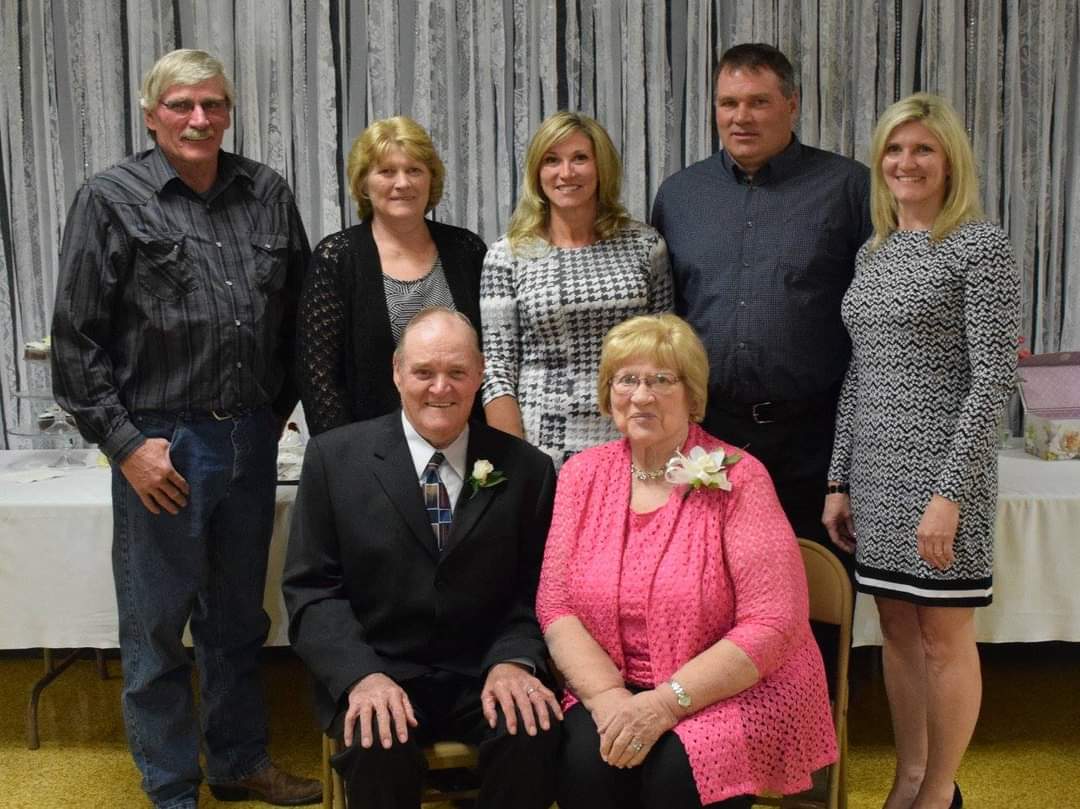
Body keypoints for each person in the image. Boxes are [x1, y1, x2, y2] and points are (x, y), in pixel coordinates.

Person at [50, 50, 320, 807]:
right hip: (161, 446)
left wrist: (274, 412)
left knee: (237, 619)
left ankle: (238, 760)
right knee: (158, 626)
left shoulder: (266, 191)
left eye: (213, 104)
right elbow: (75, 343)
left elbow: (299, 317)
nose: (199, 119)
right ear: (151, 115)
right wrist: (126, 446)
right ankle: (171, 787)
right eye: (181, 105)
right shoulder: (111, 198)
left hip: (250, 439)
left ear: (228, 110)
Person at [536, 314, 836, 809]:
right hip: (613, 685)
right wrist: (608, 698)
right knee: (585, 764)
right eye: (626, 380)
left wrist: (663, 703)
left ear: (692, 396)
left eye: (662, 380)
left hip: (731, 690)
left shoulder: (740, 477)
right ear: (608, 394)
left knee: (678, 772)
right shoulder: (580, 475)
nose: (642, 395)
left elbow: (773, 623)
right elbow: (556, 605)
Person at [823, 94, 1020, 809]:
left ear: (950, 162)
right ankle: (908, 776)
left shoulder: (978, 246)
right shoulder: (873, 251)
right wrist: (839, 479)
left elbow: (994, 377)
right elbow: (861, 370)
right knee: (898, 633)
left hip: (943, 476)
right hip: (875, 475)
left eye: (923, 149)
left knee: (942, 636)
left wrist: (949, 494)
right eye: (895, 149)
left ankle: (940, 791)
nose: (906, 162)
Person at [283, 308, 562, 809]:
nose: (441, 388)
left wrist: (514, 660)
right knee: (377, 741)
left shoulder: (528, 469)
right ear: (397, 372)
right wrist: (361, 676)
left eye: (457, 372)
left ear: (479, 374)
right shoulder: (334, 459)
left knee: (532, 729)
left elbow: (538, 590)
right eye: (424, 372)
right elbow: (312, 590)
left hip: (483, 667)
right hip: (379, 665)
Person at [651, 43, 871, 546]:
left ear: (792, 104)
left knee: (818, 583)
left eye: (758, 102)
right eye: (728, 103)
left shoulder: (849, 188)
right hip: (711, 437)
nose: (741, 117)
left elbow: (882, 306)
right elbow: (667, 315)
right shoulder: (680, 195)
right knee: (711, 577)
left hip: (816, 440)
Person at [481, 110, 673, 469]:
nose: (566, 173)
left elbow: (667, 353)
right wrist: (519, 463)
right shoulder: (507, 255)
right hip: (542, 447)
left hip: (633, 435)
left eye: (580, 158)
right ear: (537, 172)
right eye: (552, 160)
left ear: (601, 167)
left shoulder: (646, 245)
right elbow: (497, 370)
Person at [297, 116, 487, 436]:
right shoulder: (338, 258)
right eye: (387, 171)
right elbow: (318, 378)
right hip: (369, 447)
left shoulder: (466, 250)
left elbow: (490, 355)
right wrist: (344, 454)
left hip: (464, 441)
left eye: (414, 170)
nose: (402, 183)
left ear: (431, 179)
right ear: (364, 184)